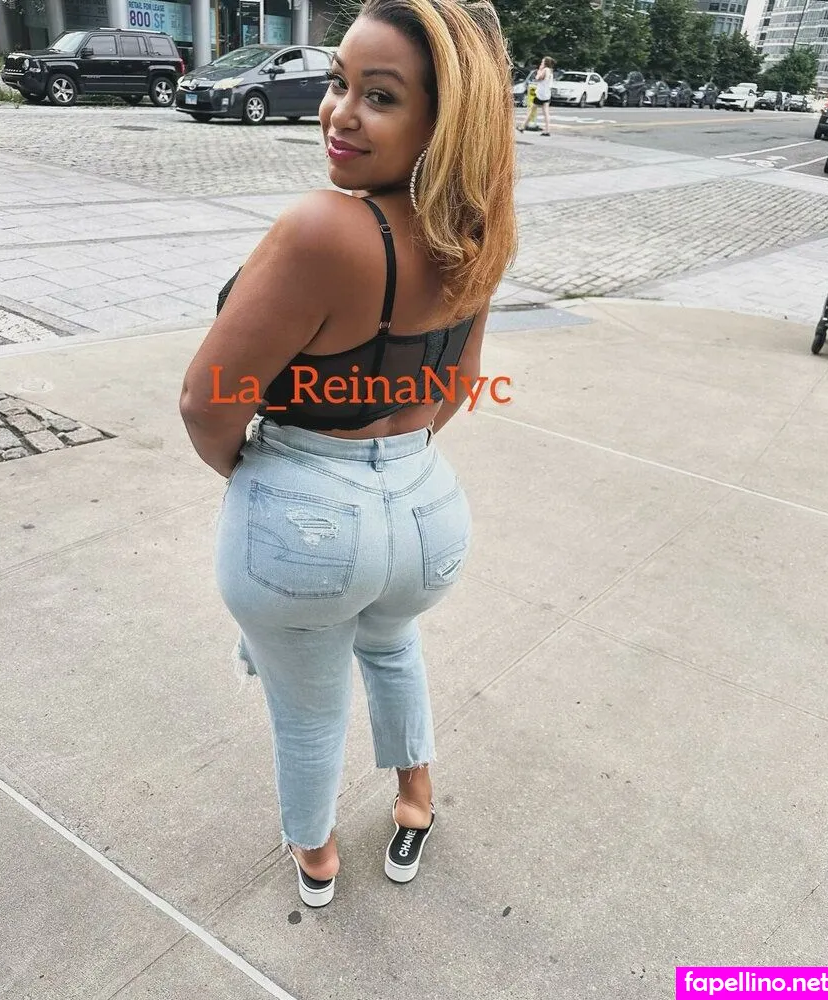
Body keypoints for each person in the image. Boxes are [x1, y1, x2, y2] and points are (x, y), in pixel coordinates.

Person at [179, 0, 517, 908]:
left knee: (307, 708)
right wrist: (392, 467)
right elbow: (457, 384)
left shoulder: (323, 230)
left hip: (307, 516)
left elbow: (207, 403)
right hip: (428, 515)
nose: (341, 113)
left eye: (381, 95)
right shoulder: (475, 233)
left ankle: (319, 858)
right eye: (339, 82)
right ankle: (415, 802)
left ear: (443, 122)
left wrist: (264, 478)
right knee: (393, 646)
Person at [518, 55, 555, 136]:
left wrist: (539, 70)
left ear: (546, 63)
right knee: (545, 113)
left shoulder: (545, 70)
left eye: (542, 62)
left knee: (531, 110)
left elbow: (538, 78)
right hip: (547, 94)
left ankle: (522, 127)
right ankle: (547, 130)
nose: (541, 63)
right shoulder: (550, 71)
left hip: (540, 94)